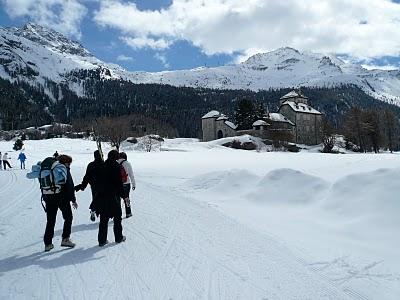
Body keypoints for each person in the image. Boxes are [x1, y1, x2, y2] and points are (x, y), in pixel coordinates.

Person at [43, 155, 78, 251]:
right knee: (68, 217)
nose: (70, 165)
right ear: (66, 162)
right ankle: (65, 239)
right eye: (69, 163)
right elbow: (70, 186)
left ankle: (48, 243)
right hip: (62, 198)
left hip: (49, 197)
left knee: (50, 221)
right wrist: (73, 200)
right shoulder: (63, 169)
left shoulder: (50, 169)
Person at [96, 150, 126, 247]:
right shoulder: (116, 166)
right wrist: (124, 196)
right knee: (117, 217)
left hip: (103, 196)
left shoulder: (102, 166)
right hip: (114, 197)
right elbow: (119, 183)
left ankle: (102, 240)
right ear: (116, 157)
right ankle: (118, 237)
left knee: (103, 219)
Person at [75, 150, 104, 222]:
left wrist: (83, 185)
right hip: (103, 186)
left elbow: (86, 177)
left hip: (94, 186)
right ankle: (99, 212)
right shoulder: (104, 164)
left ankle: (94, 211)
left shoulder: (91, 165)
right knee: (103, 199)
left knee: (95, 198)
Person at [117, 152, 136, 218]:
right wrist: (134, 184)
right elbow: (131, 175)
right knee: (126, 198)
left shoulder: (116, 163)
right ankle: (128, 213)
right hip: (126, 184)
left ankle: (118, 214)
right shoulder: (127, 163)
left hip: (117, 184)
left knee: (118, 199)